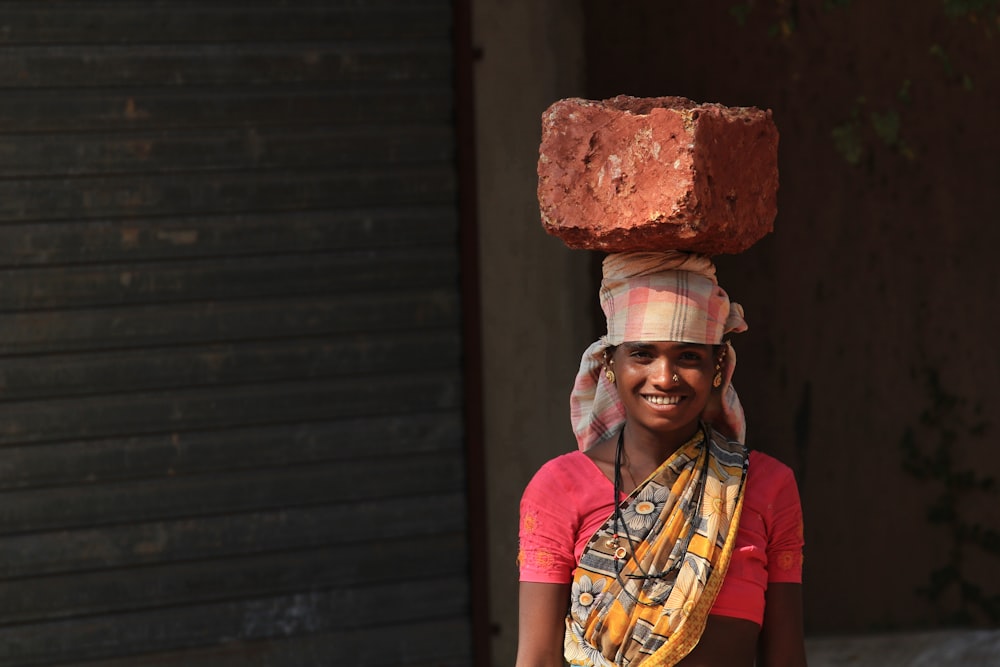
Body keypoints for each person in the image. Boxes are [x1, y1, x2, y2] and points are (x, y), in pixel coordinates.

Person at [516, 252, 806, 667]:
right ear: (609, 364)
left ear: (717, 366)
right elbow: (538, 659)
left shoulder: (765, 485)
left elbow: (787, 658)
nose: (665, 377)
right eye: (642, 354)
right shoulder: (558, 488)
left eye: (688, 356)